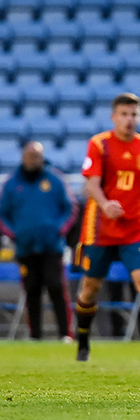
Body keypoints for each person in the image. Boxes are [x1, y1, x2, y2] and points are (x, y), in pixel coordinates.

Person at [73, 92, 140, 362]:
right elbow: (91, 184)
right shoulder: (99, 145)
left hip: (136, 228)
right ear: (113, 116)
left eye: (134, 115)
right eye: (124, 114)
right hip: (100, 229)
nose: (129, 120)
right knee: (90, 288)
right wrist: (106, 204)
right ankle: (83, 343)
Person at [0, 141, 78, 340]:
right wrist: (14, 234)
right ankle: (35, 335)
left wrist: (59, 229)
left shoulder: (55, 179)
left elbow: (70, 208)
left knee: (56, 286)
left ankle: (65, 334)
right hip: (25, 247)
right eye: (30, 155)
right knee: (32, 290)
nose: (34, 159)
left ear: (42, 157)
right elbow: (2, 214)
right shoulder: (12, 184)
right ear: (23, 157)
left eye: (37, 155)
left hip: (52, 246)